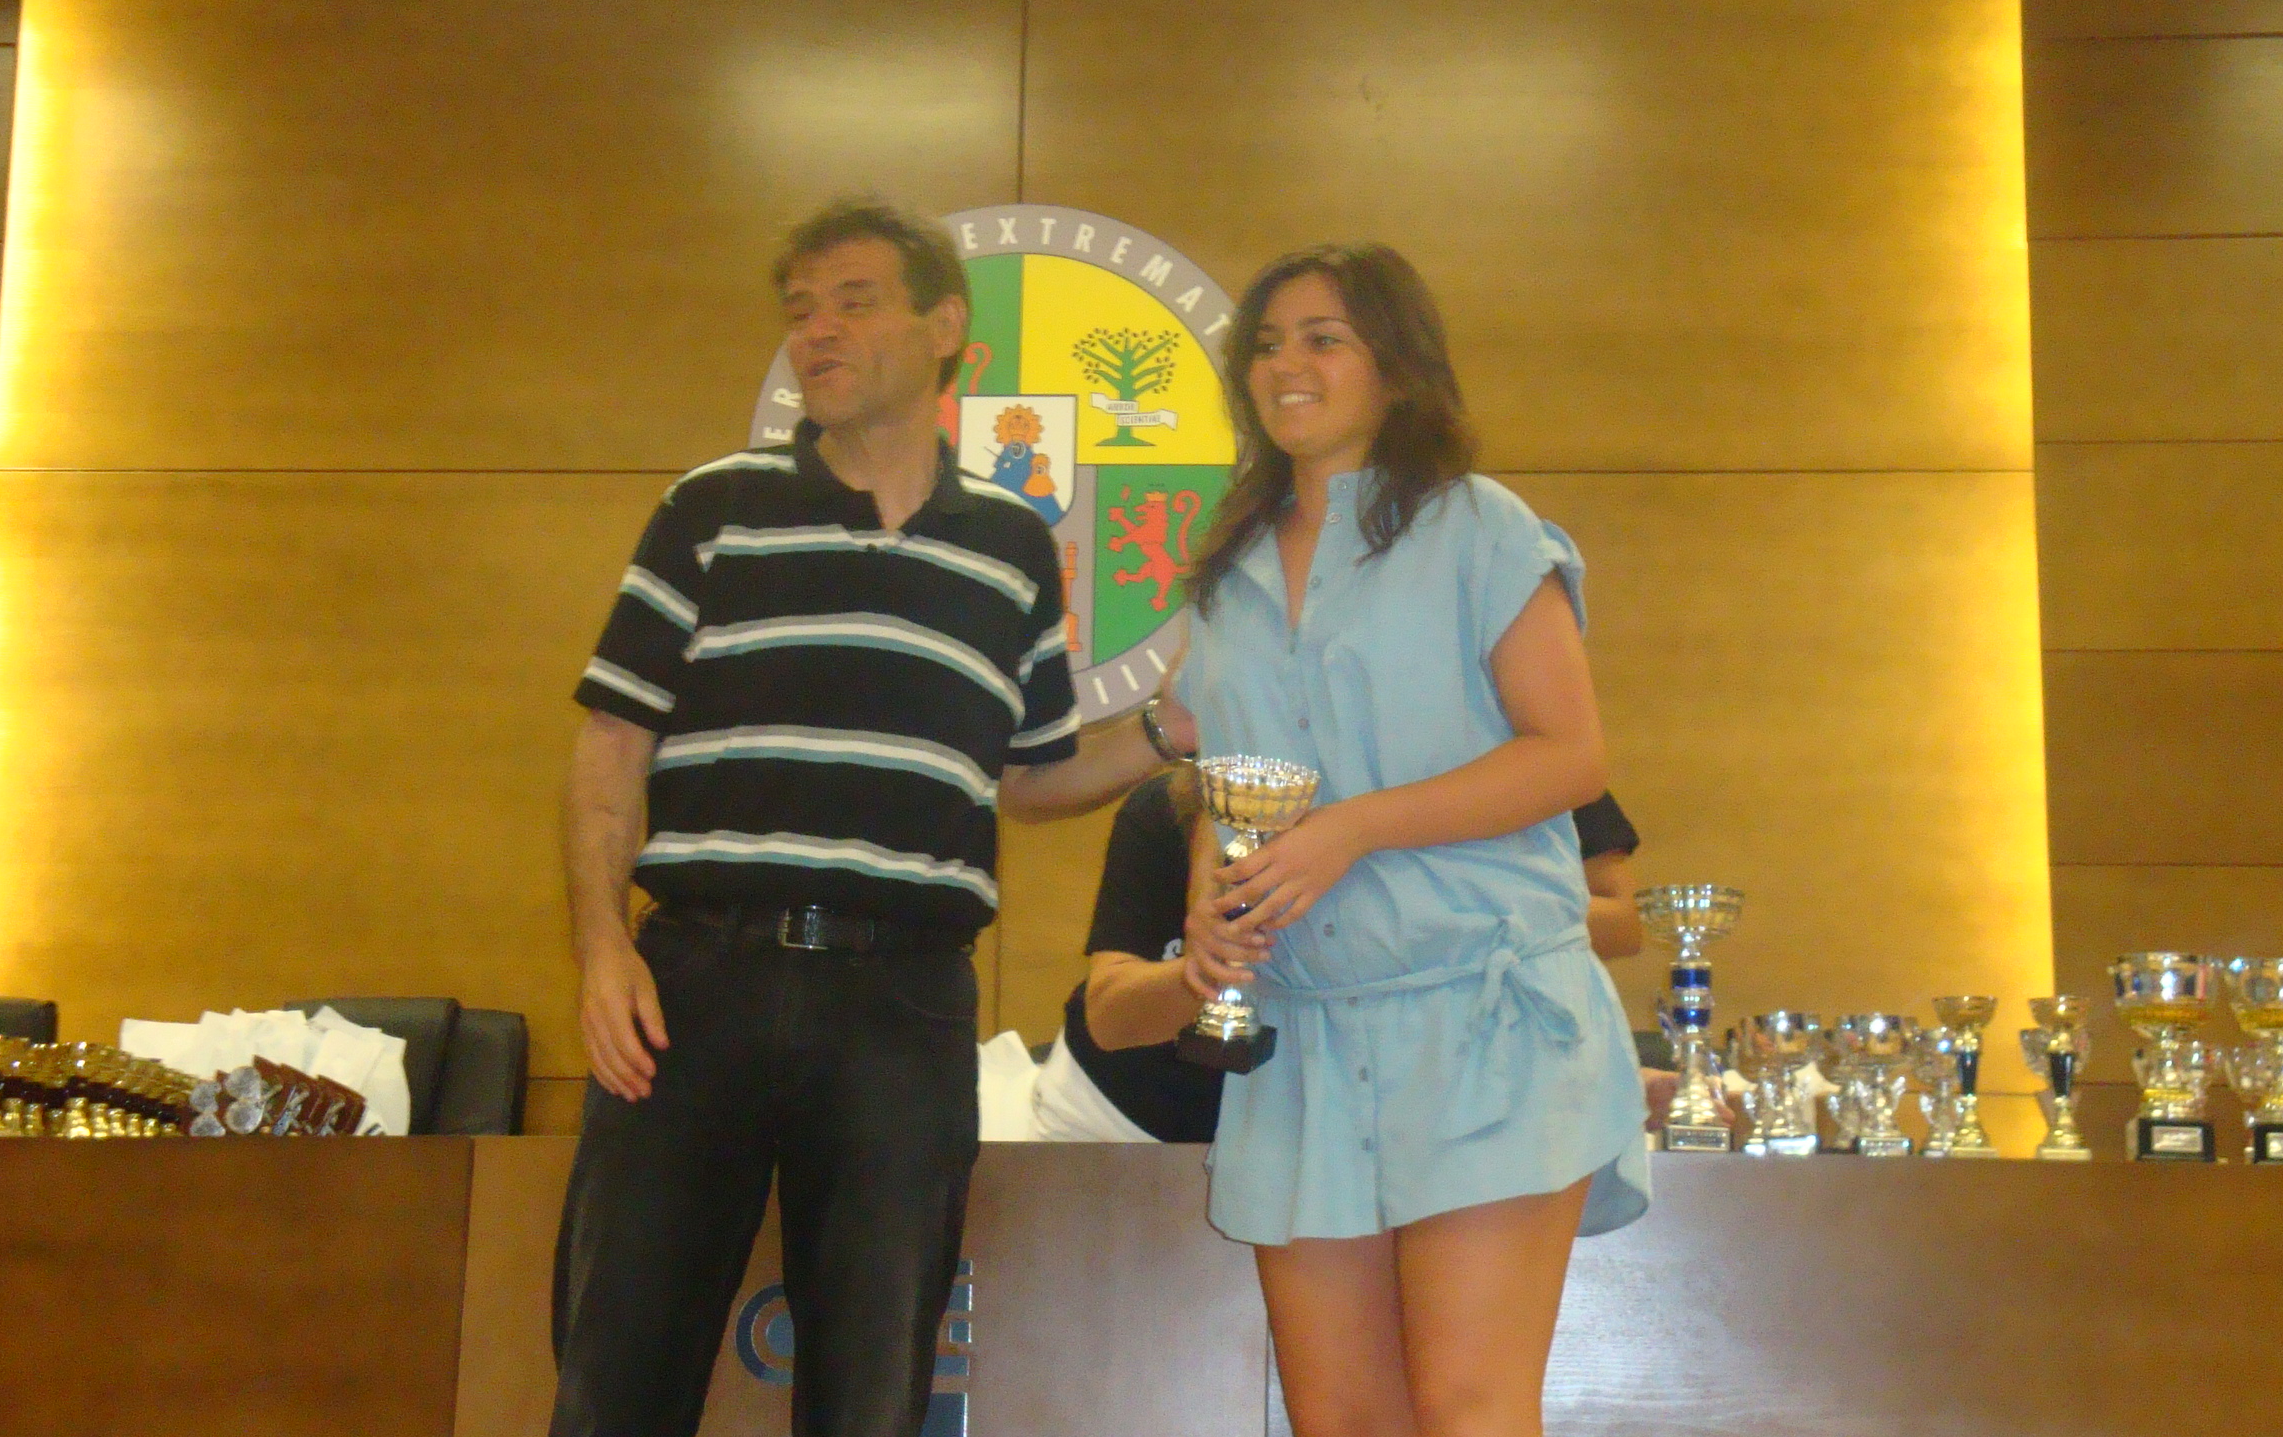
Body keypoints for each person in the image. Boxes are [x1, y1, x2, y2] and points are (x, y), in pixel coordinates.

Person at [549, 197, 1196, 1437]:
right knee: (615, 1375)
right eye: (800, 311)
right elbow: (611, 740)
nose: (817, 332)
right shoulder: (710, 508)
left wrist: (1166, 734)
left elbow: (1026, 777)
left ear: (945, 327)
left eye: (853, 302)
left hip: (904, 1008)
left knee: (875, 1391)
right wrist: (601, 948)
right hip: (692, 987)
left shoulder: (1011, 548)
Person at [1176, 242, 1650, 1437]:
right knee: (1340, 1420)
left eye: (1322, 338)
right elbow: (1230, 782)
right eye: (1266, 344)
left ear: (1396, 366)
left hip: (1481, 1018)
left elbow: (1570, 754)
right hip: (1303, 1037)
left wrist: (1354, 831)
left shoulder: (1480, 526)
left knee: (1467, 1406)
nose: (1285, 364)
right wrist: (1208, 905)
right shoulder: (1227, 567)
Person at [1029, 783, 1656, 1145]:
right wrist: (1212, 970)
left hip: (1355, 1128)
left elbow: (1621, 922)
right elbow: (1110, 1017)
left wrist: (1438, 896)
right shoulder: (1189, 796)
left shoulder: (1509, 761)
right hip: (1133, 1123)